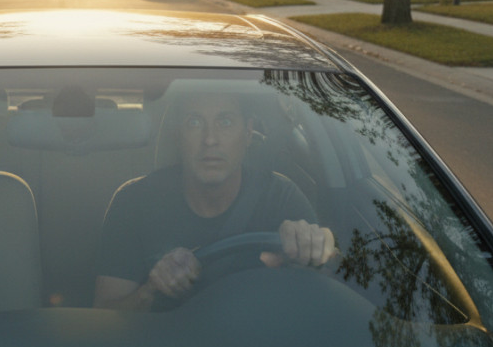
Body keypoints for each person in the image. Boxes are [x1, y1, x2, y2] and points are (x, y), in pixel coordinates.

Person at [94, 92, 337, 311]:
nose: (210, 139)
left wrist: (317, 248)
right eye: (195, 122)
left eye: (226, 122)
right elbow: (105, 319)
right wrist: (150, 290)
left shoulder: (281, 198)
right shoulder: (134, 202)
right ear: (179, 135)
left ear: (248, 132)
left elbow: (327, 300)